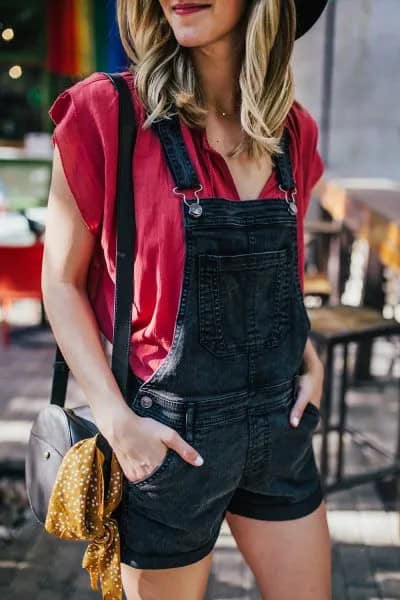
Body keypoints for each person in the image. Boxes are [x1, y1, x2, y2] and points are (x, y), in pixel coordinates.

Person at [42, 0, 332, 598]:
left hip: (280, 429)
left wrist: (309, 358)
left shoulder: (293, 130)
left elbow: (284, 274)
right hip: (166, 442)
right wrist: (118, 420)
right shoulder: (108, 112)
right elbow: (61, 282)